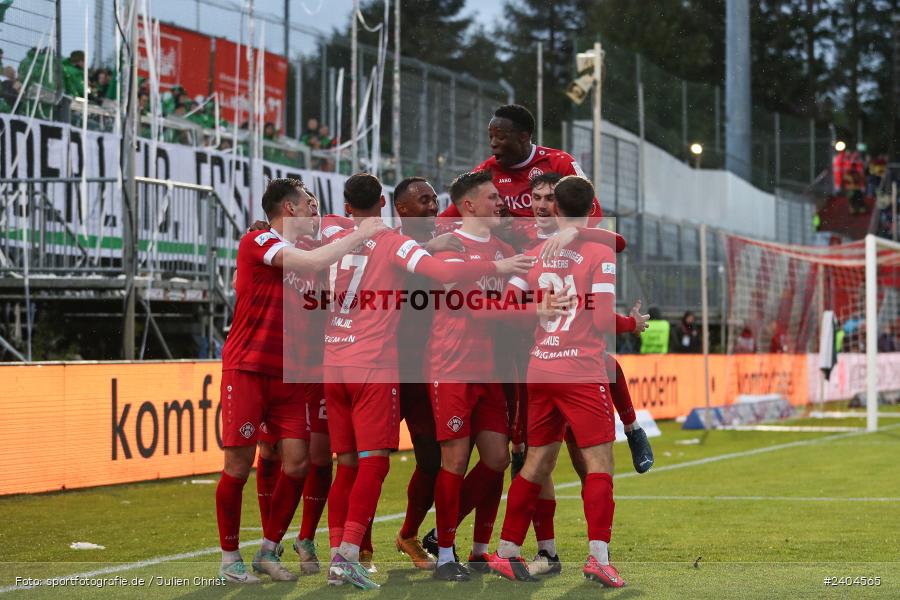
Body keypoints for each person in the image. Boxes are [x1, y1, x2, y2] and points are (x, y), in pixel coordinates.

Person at [321, 173, 534, 590]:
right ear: (397, 207)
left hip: (419, 367)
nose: (433, 207)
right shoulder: (402, 243)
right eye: (423, 201)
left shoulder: (431, 237)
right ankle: (355, 550)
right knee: (362, 462)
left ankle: (409, 536)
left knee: (430, 460)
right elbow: (441, 274)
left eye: (435, 199)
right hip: (389, 364)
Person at [214, 178, 387, 584]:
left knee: (298, 462)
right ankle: (229, 559)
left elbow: (333, 258)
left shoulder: (312, 250)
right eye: (311, 205)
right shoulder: (259, 241)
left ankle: (268, 550)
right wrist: (360, 233)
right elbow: (310, 263)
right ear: (290, 208)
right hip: (249, 368)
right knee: (237, 467)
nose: (317, 212)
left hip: (292, 375)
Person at [488, 175, 625, 587]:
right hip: (581, 370)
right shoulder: (600, 252)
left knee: (537, 462)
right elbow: (603, 320)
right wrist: (631, 324)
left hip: (540, 367)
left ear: (556, 207)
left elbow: (503, 308)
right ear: (593, 207)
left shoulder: (533, 254)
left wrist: (536, 310)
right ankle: (598, 558)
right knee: (599, 463)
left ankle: (506, 552)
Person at [439, 104, 600, 218]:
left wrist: (571, 234)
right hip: (504, 252)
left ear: (523, 137)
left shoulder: (559, 163)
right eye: (491, 137)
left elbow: (594, 214)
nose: (493, 143)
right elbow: (449, 217)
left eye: (500, 137)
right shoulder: (486, 171)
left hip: (553, 249)